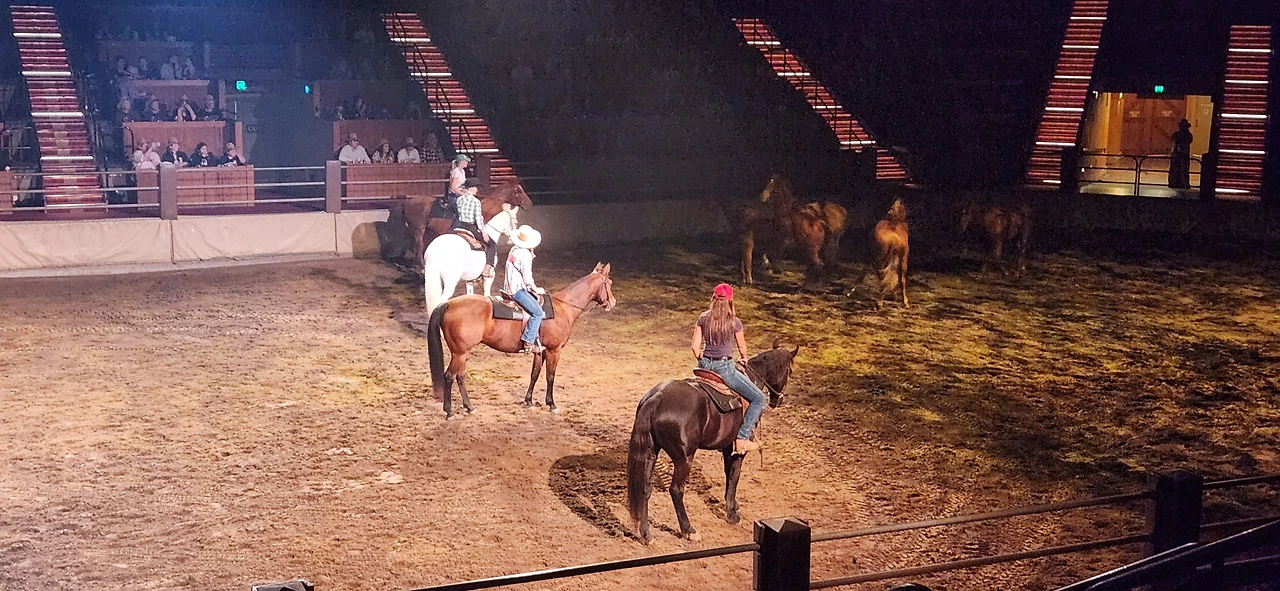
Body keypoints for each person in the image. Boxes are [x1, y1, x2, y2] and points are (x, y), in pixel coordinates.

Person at [691, 283, 766, 455]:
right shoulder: (734, 322)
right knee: (759, 399)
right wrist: (744, 357)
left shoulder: (703, 318)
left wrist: (703, 359)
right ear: (730, 300)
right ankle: (742, 438)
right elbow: (742, 348)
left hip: (703, 367)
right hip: (724, 368)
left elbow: (695, 347)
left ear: (713, 298)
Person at [504, 225, 545, 354]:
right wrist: (536, 289)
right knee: (538, 312)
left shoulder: (514, 249)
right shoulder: (525, 254)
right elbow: (527, 278)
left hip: (508, 288)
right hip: (517, 291)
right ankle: (528, 340)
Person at [453, 177, 497, 276]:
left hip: (459, 226)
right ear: (471, 188)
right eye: (476, 187)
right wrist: (483, 232)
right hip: (470, 227)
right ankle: (487, 268)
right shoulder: (475, 201)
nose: (477, 189)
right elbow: (478, 218)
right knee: (492, 244)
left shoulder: (459, 199)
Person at [1169, 118, 1193, 189]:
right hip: (1182, 154)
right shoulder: (1188, 135)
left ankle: (1177, 183)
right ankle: (1181, 183)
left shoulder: (1178, 135)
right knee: (1182, 169)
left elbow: (1173, 141)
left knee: (1180, 169)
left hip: (1180, 154)